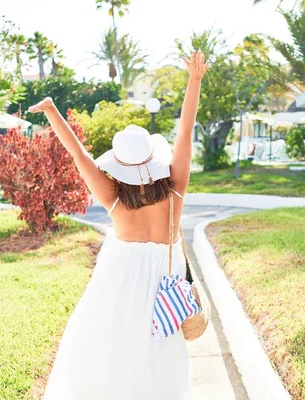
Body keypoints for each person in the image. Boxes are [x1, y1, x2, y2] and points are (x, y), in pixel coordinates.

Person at [27, 50, 209, 400]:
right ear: (153, 159)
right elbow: (185, 131)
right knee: (160, 358)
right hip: (162, 286)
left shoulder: (112, 197)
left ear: (119, 166)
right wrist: (194, 79)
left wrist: (52, 111)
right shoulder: (175, 192)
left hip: (118, 279)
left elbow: (78, 154)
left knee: (108, 349)